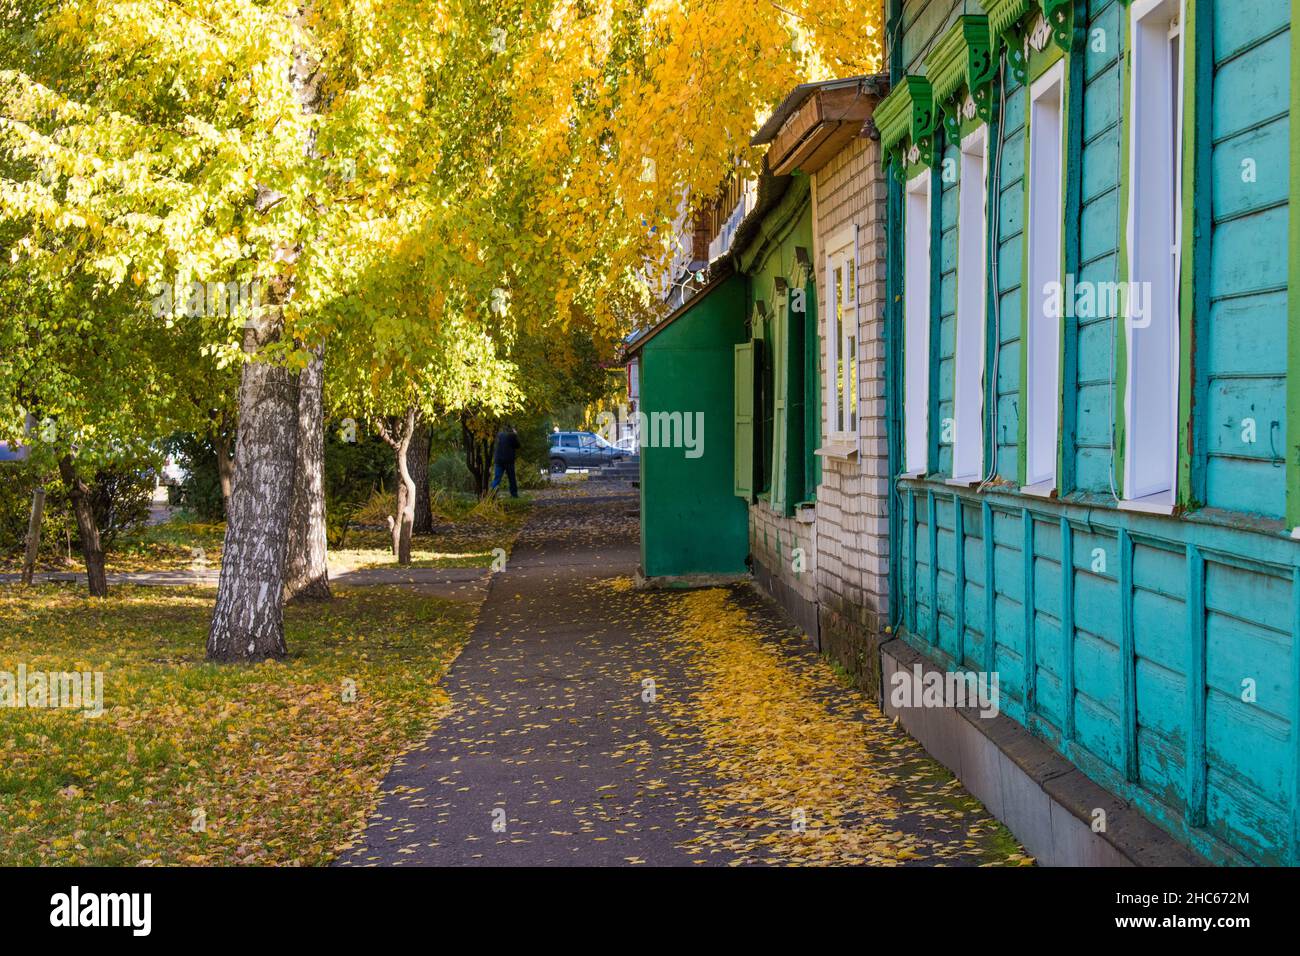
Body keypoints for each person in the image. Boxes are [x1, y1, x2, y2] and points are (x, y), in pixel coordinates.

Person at [490, 423, 521, 498]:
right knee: (511, 478)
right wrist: (516, 434)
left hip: (499, 460)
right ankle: (514, 494)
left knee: (497, 478)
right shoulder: (512, 436)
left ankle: (491, 494)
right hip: (509, 460)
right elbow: (518, 445)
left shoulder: (499, 435)